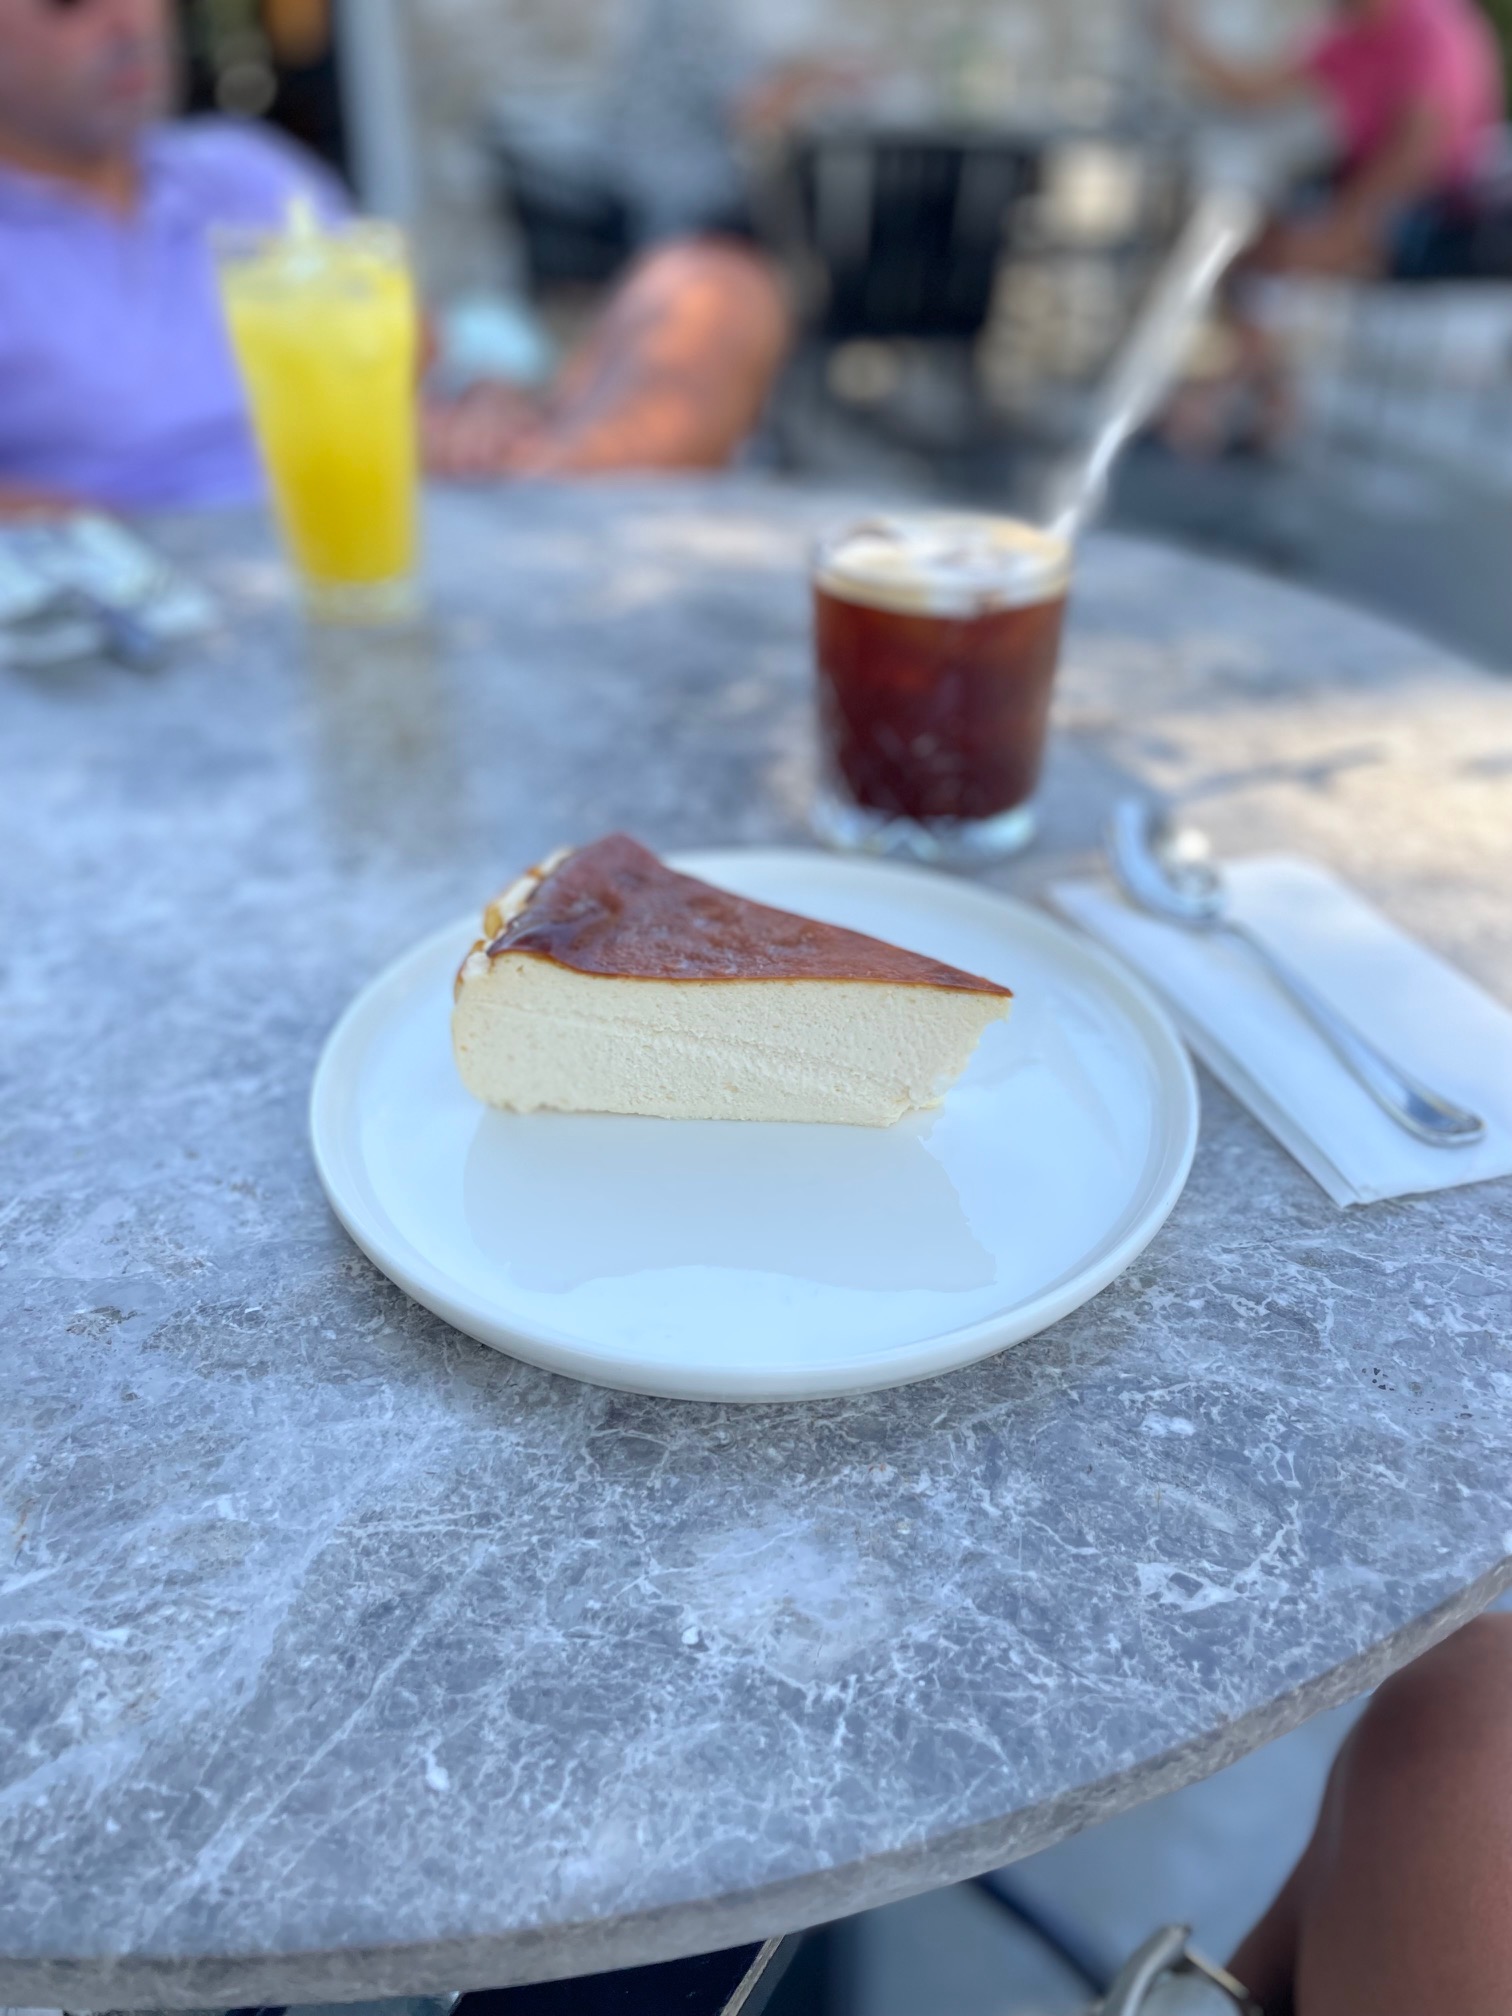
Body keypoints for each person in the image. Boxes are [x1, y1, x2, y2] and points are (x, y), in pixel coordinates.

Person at [0, 0, 790, 515]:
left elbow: (416, 356)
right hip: (184, 580)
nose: (127, 22)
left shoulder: (244, 169)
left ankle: (576, 506)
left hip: (412, 509)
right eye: (70, 3)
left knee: (713, 285)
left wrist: (479, 401)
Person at [1163, 0, 1505, 280]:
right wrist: (1183, 35)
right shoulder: (1349, 30)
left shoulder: (1426, 23)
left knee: (1288, 251)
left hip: (1442, 212)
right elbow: (1255, 93)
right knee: (1256, 223)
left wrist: (1342, 229)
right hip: (1368, 182)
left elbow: (1417, 148)